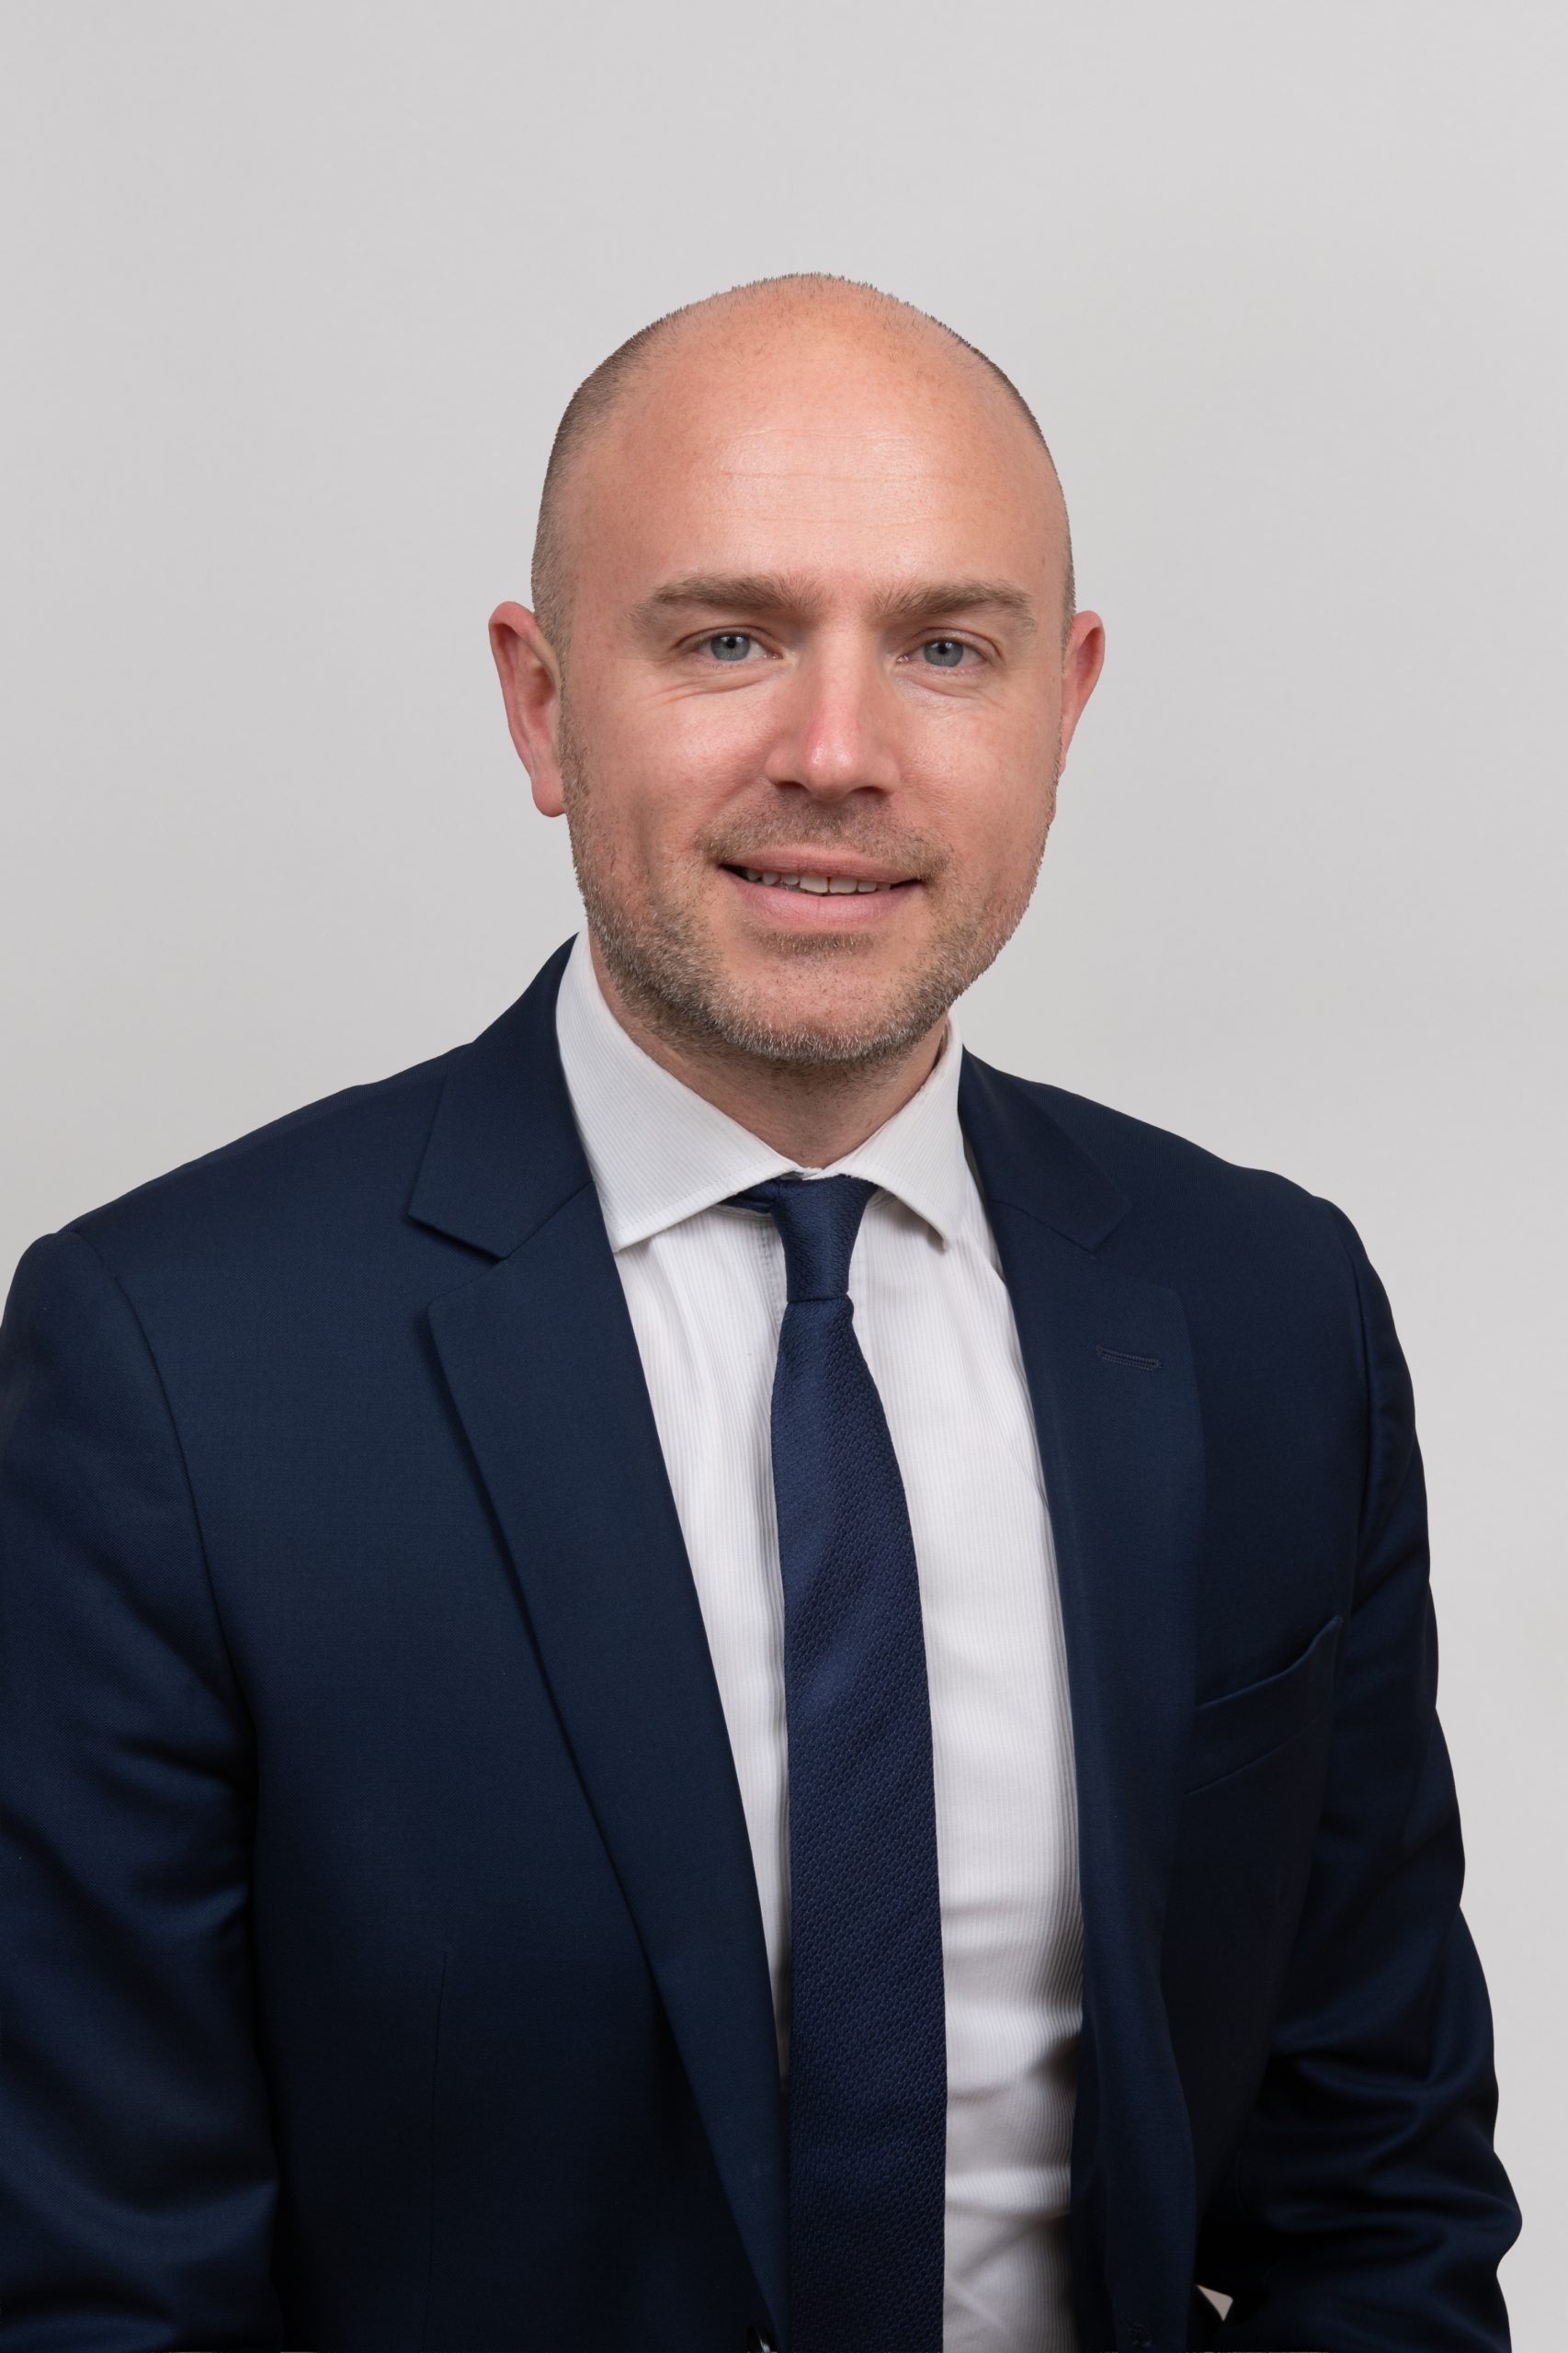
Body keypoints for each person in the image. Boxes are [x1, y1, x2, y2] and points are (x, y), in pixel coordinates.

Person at [0, 274, 1518, 2353]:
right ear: (542, 703)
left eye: (946, 648)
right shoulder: (171, 1368)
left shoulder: (1264, 1310)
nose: (835, 755)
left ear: (1062, 704)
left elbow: (1379, 2198)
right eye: (727, 638)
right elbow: (100, 2292)